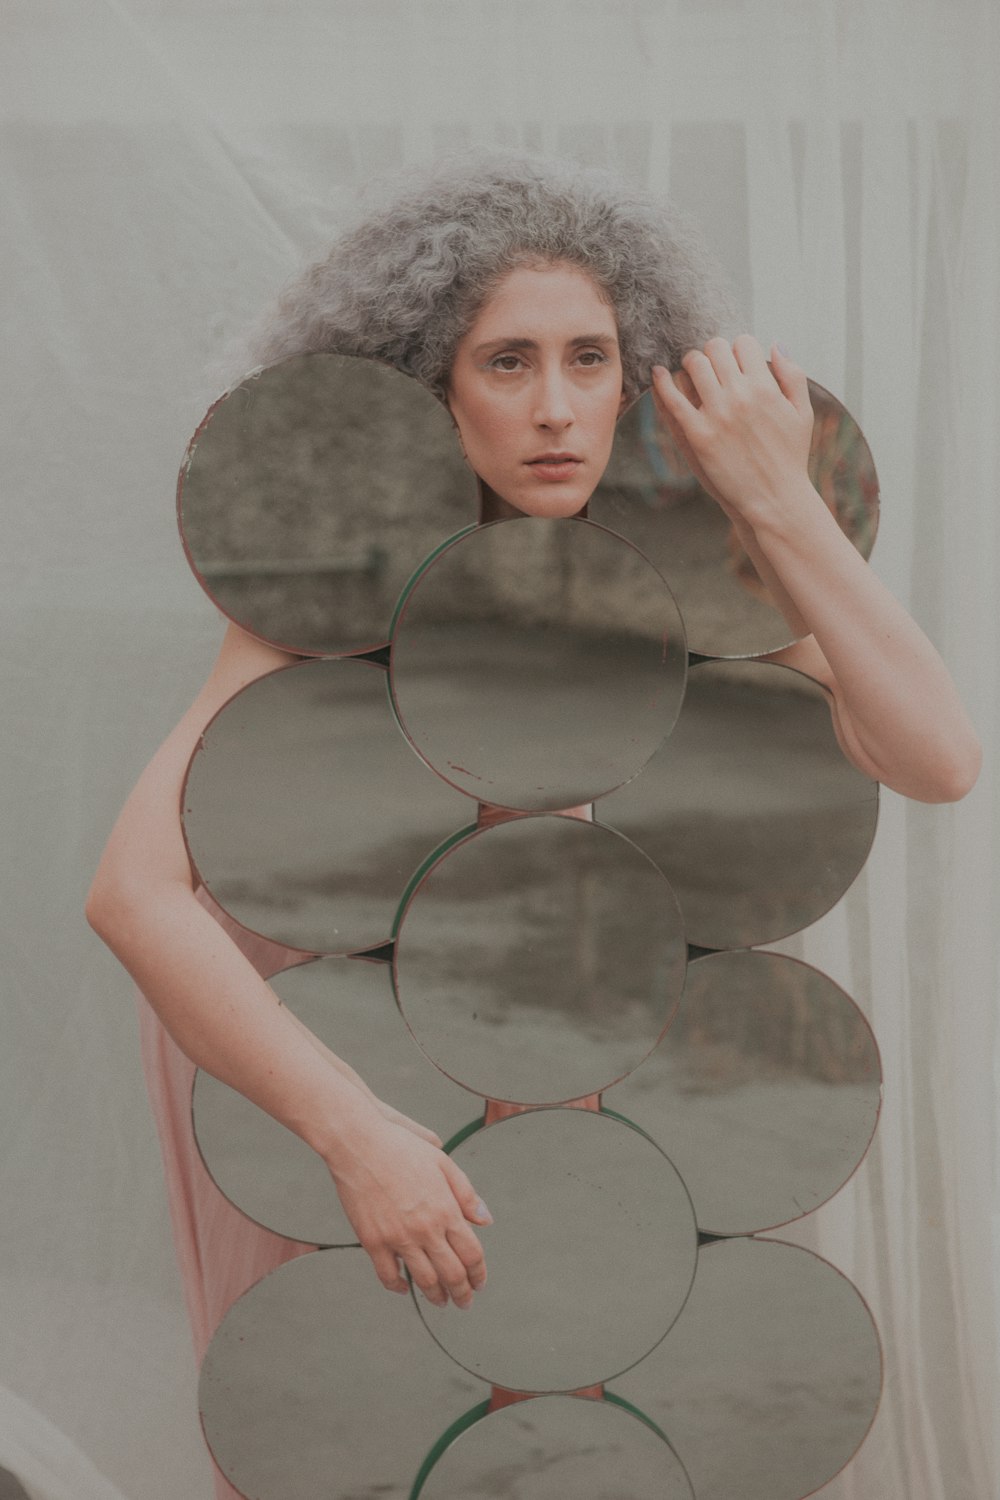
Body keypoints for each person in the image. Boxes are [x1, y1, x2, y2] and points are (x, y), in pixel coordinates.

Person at [86, 153, 981, 1348]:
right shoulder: (335, 594)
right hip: (343, 1073)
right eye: (507, 362)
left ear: (636, 383)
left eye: (589, 359)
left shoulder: (672, 590)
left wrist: (776, 497)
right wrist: (354, 1134)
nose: (556, 408)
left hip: (569, 1064)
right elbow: (135, 897)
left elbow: (937, 758)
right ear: (432, 387)